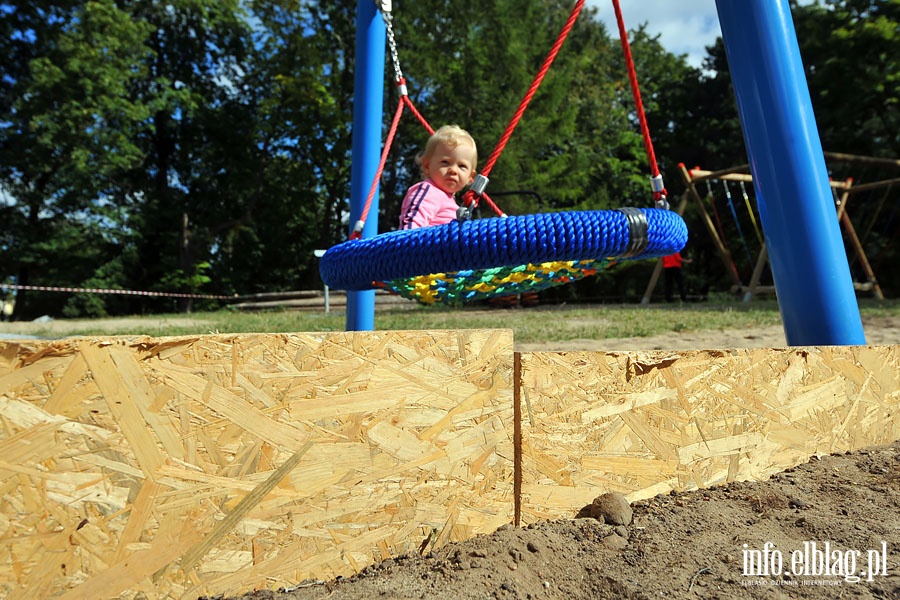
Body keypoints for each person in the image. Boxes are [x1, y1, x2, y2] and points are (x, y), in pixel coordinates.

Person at [398, 125, 477, 230]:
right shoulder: (429, 191)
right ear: (427, 165)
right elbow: (410, 225)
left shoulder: (452, 203)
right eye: (445, 162)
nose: (453, 170)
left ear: (470, 177)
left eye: (462, 166)